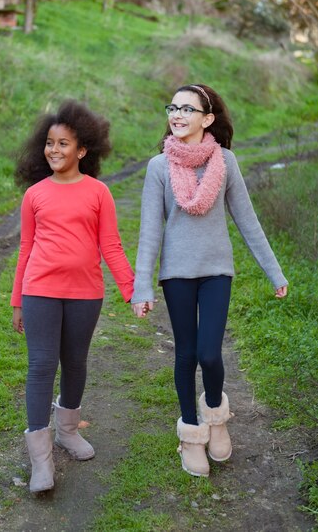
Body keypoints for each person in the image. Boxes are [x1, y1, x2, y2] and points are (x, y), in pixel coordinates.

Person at [131, 84, 288, 478]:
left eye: (187, 109)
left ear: (208, 118)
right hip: (177, 274)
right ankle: (191, 434)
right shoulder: (158, 167)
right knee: (185, 355)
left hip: (217, 271)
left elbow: (247, 221)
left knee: (210, 354)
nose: (177, 115)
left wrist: (274, 271)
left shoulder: (226, 162)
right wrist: (143, 286)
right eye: (172, 108)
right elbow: (150, 230)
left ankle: (216, 415)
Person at [11, 99, 134, 493]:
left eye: (63, 144)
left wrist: (132, 289)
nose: (54, 150)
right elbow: (25, 248)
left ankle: (67, 431)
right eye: (50, 143)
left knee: (76, 363)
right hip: (40, 291)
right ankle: (41, 459)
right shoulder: (35, 195)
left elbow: (111, 246)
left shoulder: (99, 192)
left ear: (82, 150)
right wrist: (17, 300)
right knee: (42, 366)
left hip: (85, 293)